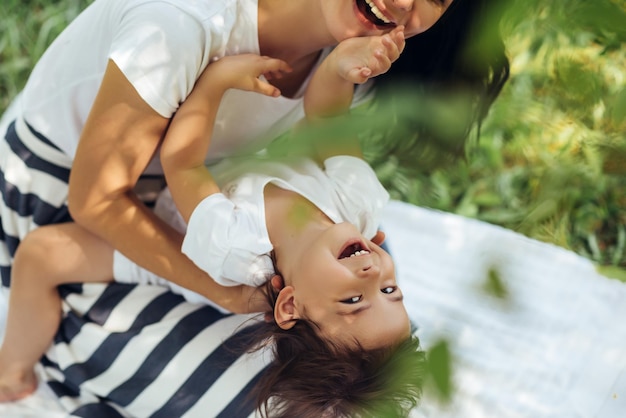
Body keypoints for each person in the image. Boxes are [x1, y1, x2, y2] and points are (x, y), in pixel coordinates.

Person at [0, 0, 509, 414]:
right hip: (64, 198)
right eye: (385, 287)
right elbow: (114, 194)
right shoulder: (180, 26)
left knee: (354, 375)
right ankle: (14, 369)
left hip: (189, 208)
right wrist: (225, 296)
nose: (404, 3)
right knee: (239, 398)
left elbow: (317, 123)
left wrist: (335, 71)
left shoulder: (358, 38)